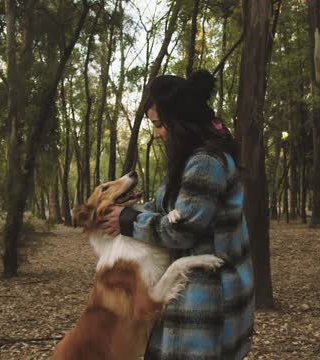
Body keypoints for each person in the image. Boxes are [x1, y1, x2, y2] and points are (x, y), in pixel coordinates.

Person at [99, 70, 254, 360]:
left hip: (207, 303)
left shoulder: (206, 163)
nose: (157, 133)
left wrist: (127, 220)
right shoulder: (188, 160)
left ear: (178, 120)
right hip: (191, 297)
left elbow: (181, 229)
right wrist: (123, 214)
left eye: (159, 124)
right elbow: (162, 208)